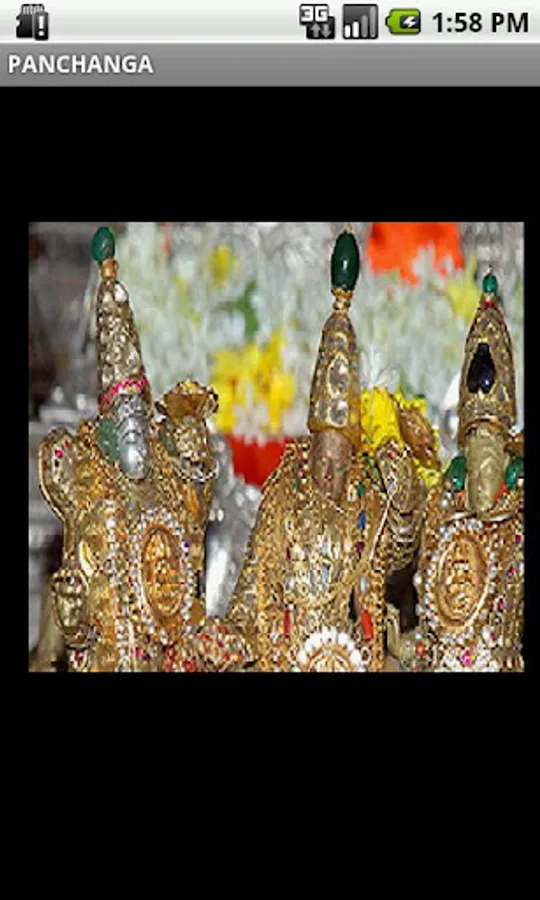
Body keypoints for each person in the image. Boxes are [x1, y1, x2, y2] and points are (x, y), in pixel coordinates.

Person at [220, 228, 426, 672]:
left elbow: (401, 552)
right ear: (308, 448)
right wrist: (230, 641)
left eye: (339, 462)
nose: (329, 473)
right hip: (285, 654)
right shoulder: (283, 497)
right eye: (322, 460)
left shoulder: (365, 499)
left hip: (349, 655)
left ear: (354, 460)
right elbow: (252, 590)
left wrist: (405, 497)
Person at [35, 227, 218, 672]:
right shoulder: (90, 485)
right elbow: (78, 620)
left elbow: (194, 541)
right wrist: (73, 616)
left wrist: (198, 458)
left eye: (138, 410)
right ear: (109, 425)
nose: (133, 424)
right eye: (123, 413)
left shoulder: (167, 474)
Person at [401, 269, 524, 672]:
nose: (480, 473)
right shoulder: (445, 506)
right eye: (473, 454)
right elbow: (423, 588)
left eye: (489, 455)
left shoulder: (517, 508)